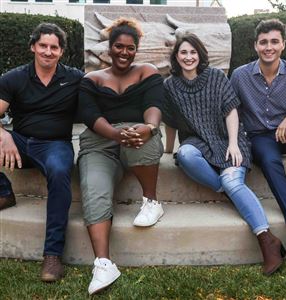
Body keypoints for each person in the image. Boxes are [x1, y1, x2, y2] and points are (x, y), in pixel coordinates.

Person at [162, 33, 286, 276]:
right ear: (176, 57)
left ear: (200, 54)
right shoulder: (170, 86)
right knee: (185, 154)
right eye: (183, 52)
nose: (189, 57)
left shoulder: (216, 77)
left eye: (193, 52)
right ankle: (228, 191)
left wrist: (234, 144)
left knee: (232, 180)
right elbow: (170, 121)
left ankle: (267, 239)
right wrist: (168, 149)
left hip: (228, 138)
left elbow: (231, 111)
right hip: (199, 142)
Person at [77, 18, 164, 295]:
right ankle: (104, 263)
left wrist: (149, 128)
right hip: (99, 142)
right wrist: (116, 135)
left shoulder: (147, 72)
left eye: (130, 48)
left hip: (138, 136)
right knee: (93, 187)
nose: (124, 52)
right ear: (109, 48)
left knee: (139, 138)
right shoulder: (92, 79)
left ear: (136, 50)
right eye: (118, 46)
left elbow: (154, 105)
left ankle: (152, 201)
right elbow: (90, 116)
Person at [0, 23, 83, 281]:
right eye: (43, 46)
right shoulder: (13, 78)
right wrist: (3, 135)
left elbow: (102, 99)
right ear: (33, 46)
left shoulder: (75, 78)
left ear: (61, 52)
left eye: (54, 47)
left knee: (59, 171)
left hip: (55, 145)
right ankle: (4, 192)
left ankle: (52, 255)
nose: (48, 51)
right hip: (20, 144)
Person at [230, 19, 286, 252]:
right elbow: (230, 110)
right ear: (255, 46)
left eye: (274, 42)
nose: (268, 47)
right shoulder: (240, 76)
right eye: (263, 42)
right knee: (270, 161)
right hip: (259, 138)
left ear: (283, 45)